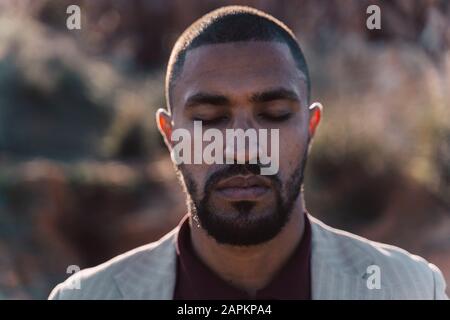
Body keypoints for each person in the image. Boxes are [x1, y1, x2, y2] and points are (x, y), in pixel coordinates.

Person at [49, 5, 448, 300]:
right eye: (209, 118)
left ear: (310, 129)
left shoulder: (409, 289)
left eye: (273, 114)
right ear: (171, 136)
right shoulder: (86, 297)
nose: (243, 144)